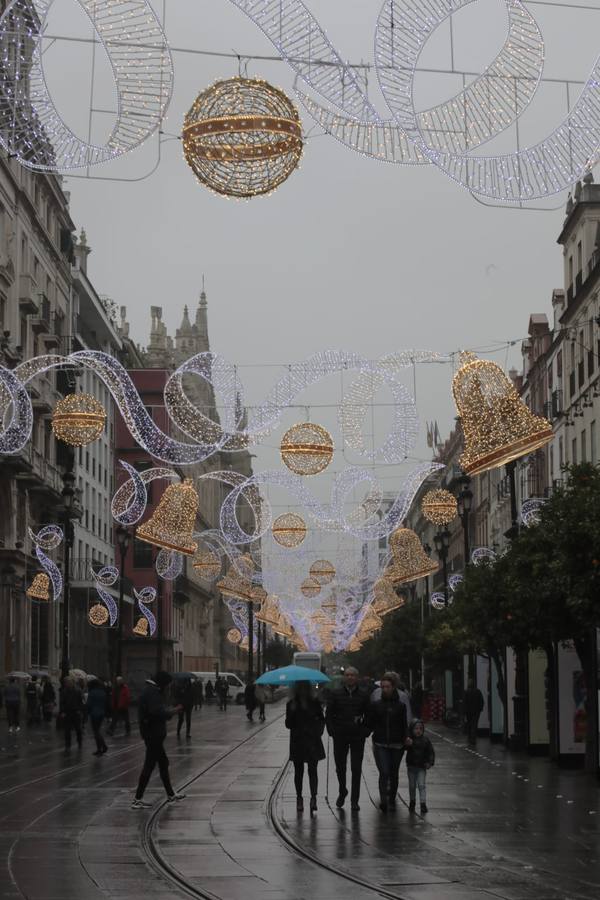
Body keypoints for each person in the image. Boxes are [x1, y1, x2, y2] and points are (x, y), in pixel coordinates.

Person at [132, 671, 185, 809]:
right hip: (153, 734)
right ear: (163, 683)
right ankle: (137, 798)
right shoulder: (152, 692)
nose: (168, 688)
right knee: (149, 765)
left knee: (163, 763)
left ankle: (170, 794)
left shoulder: (151, 691)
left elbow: (156, 710)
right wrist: (173, 711)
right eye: (168, 685)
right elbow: (156, 712)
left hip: (153, 734)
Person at [325, 666, 370, 811]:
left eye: (352, 675)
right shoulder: (335, 693)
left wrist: (365, 731)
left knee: (356, 768)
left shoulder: (363, 695)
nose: (350, 677)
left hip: (357, 736)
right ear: (344, 677)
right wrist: (332, 731)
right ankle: (342, 790)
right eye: (347, 675)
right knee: (340, 767)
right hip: (340, 735)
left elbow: (369, 715)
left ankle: (354, 800)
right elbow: (329, 714)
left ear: (357, 678)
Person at [368, 673, 409, 811]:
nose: (385, 689)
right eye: (383, 687)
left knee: (394, 772)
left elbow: (404, 724)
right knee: (384, 772)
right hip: (381, 743)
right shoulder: (376, 705)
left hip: (397, 744)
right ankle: (384, 800)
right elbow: (370, 722)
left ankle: (392, 796)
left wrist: (406, 738)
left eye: (388, 687)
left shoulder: (401, 705)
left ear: (393, 687)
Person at [286, 681, 325, 813]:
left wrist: (317, 732)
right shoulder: (291, 704)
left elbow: (321, 720)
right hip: (298, 742)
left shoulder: (315, 703)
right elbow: (288, 725)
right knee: (299, 772)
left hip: (312, 741)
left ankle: (313, 797)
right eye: (300, 687)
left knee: (313, 770)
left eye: (304, 687)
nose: (302, 689)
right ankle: (299, 798)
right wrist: (291, 712)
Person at [405, 719, 435, 813]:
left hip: (421, 767)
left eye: (420, 729)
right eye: (416, 728)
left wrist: (430, 762)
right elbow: (404, 748)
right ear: (412, 729)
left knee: (421, 785)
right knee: (412, 785)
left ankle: (423, 803)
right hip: (411, 767)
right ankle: (412, 801)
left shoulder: (426, 740)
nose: (418, 731)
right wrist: (407, 744)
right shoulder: (410, 740)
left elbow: (431, 752)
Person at [59, 677, 84, 750]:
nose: (68, 684)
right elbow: (62, 702)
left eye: (69, 682)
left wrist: (80, 710)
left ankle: (79, 742)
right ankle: (68, 744)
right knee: (67, 730)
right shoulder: (64, 691)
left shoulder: (78, 690)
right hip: (67, 712)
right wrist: (62, 712)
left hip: (76, 712)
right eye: (66, 682)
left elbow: (81, 702)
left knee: (78, 729)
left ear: (73, 683)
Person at [86, 680, 109, 755]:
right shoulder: (102, 692)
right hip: (101, 713)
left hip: (94, 713)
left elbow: (89, 704)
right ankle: (99, 749)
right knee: (97, 730)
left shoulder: (92, 692)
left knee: (96, 732)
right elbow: (105, 702)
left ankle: (103, 746)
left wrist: (87, 712)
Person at [464, 680, 485, 745]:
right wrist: (480, 709)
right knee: (474, 724)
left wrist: (464, 711)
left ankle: (470, 737)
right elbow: (481, 701)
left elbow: (464, 702)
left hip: (468, 711)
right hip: (476, 711)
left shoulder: (466, 692)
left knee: (469, 724)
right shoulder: (478, 692)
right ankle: (473, 738)